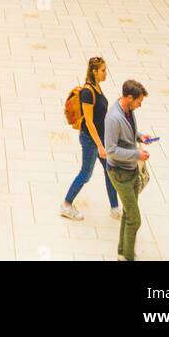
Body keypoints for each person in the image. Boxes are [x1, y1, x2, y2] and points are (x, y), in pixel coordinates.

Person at [61, 56, 120, 222]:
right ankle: (66, 204)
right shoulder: (88, 92)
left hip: (99, 137)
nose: (106, 73)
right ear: (94, 72)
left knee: (110, 170)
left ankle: (115, 208)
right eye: (103, 71)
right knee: (86, 173)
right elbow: (89, 122)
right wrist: (100, 145)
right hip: (90, 139)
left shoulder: (97, 87)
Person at [105, 80, 151, 263]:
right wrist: (136, 154)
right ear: (129, 98)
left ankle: (123, 252)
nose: (140, 105)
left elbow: (129, 130)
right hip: (119, 172)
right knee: (134, 218)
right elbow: (111, 150)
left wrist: (140, 136)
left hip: (130, 169)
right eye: (139, 101)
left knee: (128, 213)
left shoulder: (128, 111)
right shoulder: (113, 117)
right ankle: (128, 257)